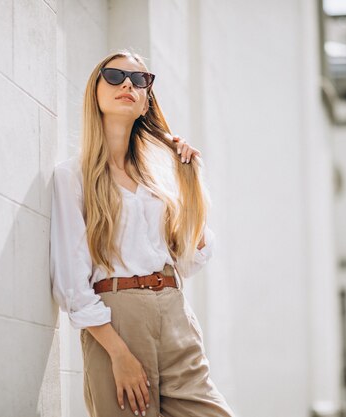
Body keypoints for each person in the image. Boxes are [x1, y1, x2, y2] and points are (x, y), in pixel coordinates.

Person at [49, 49, 235, 417]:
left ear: (147, 98)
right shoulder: (73, 176)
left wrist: (190, 180)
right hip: (115, 319)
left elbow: (189, 257)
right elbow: (71, 283)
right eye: (115, 76)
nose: (127, 85)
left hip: (173, 310)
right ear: (95, 91)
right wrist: (118, 354)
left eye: (140, 79)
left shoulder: (161, 178)